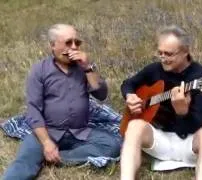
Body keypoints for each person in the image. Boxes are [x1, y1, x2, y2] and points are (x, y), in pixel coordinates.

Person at [2, 24, 121, 180]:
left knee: (112, 145)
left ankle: (55, 158)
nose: (73, 47)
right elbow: (33, 109)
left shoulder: (83, 68)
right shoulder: (40, 70)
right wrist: (46, 143)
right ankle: (44, 154)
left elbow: (101, 94)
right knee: (24, 162)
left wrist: (87, 68)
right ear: (52, 45)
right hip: (48, 131)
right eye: (68, 42)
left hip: (80, 132)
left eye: (77, 43)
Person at [120, 25, 202, 180]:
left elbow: (199, 125)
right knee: (133, 126)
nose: (163, 58)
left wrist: (182, 112)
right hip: (160, 139)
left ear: (185, 51)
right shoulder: (155, 69)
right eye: (160, 53)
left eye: (169, 54)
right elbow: (128, 83)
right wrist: (130, 96)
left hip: (189, 142)